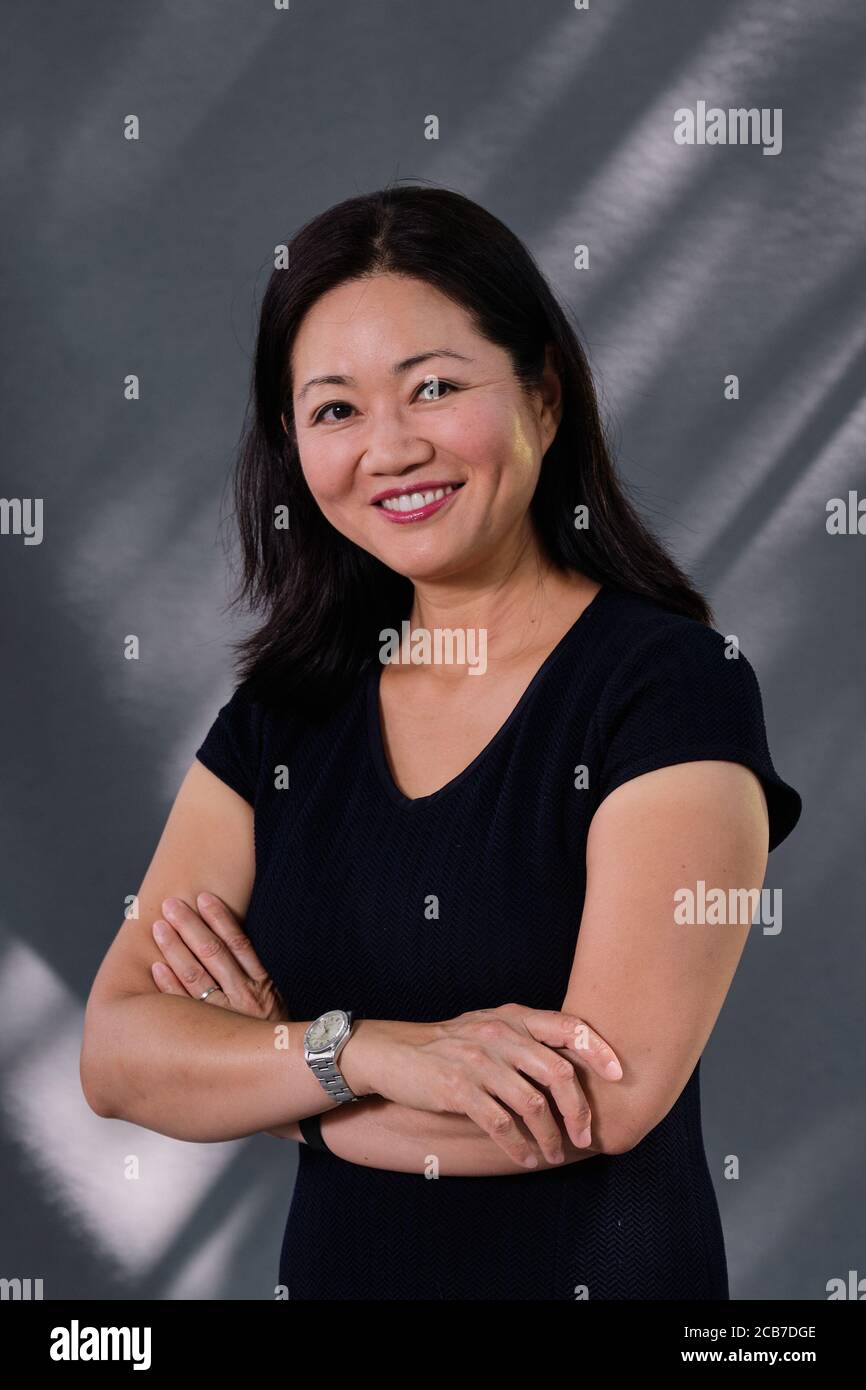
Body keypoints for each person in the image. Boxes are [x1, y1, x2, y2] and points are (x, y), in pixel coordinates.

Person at [81, 183, 802, 1301]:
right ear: (292, 446)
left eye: (433, 388)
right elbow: (118, 1056)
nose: (390, 448)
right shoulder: (285, 714)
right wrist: (357, 1050)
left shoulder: (667, 688)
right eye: (334, 411)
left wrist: (275, 1083)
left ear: (545, 396)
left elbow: (592, 1101)